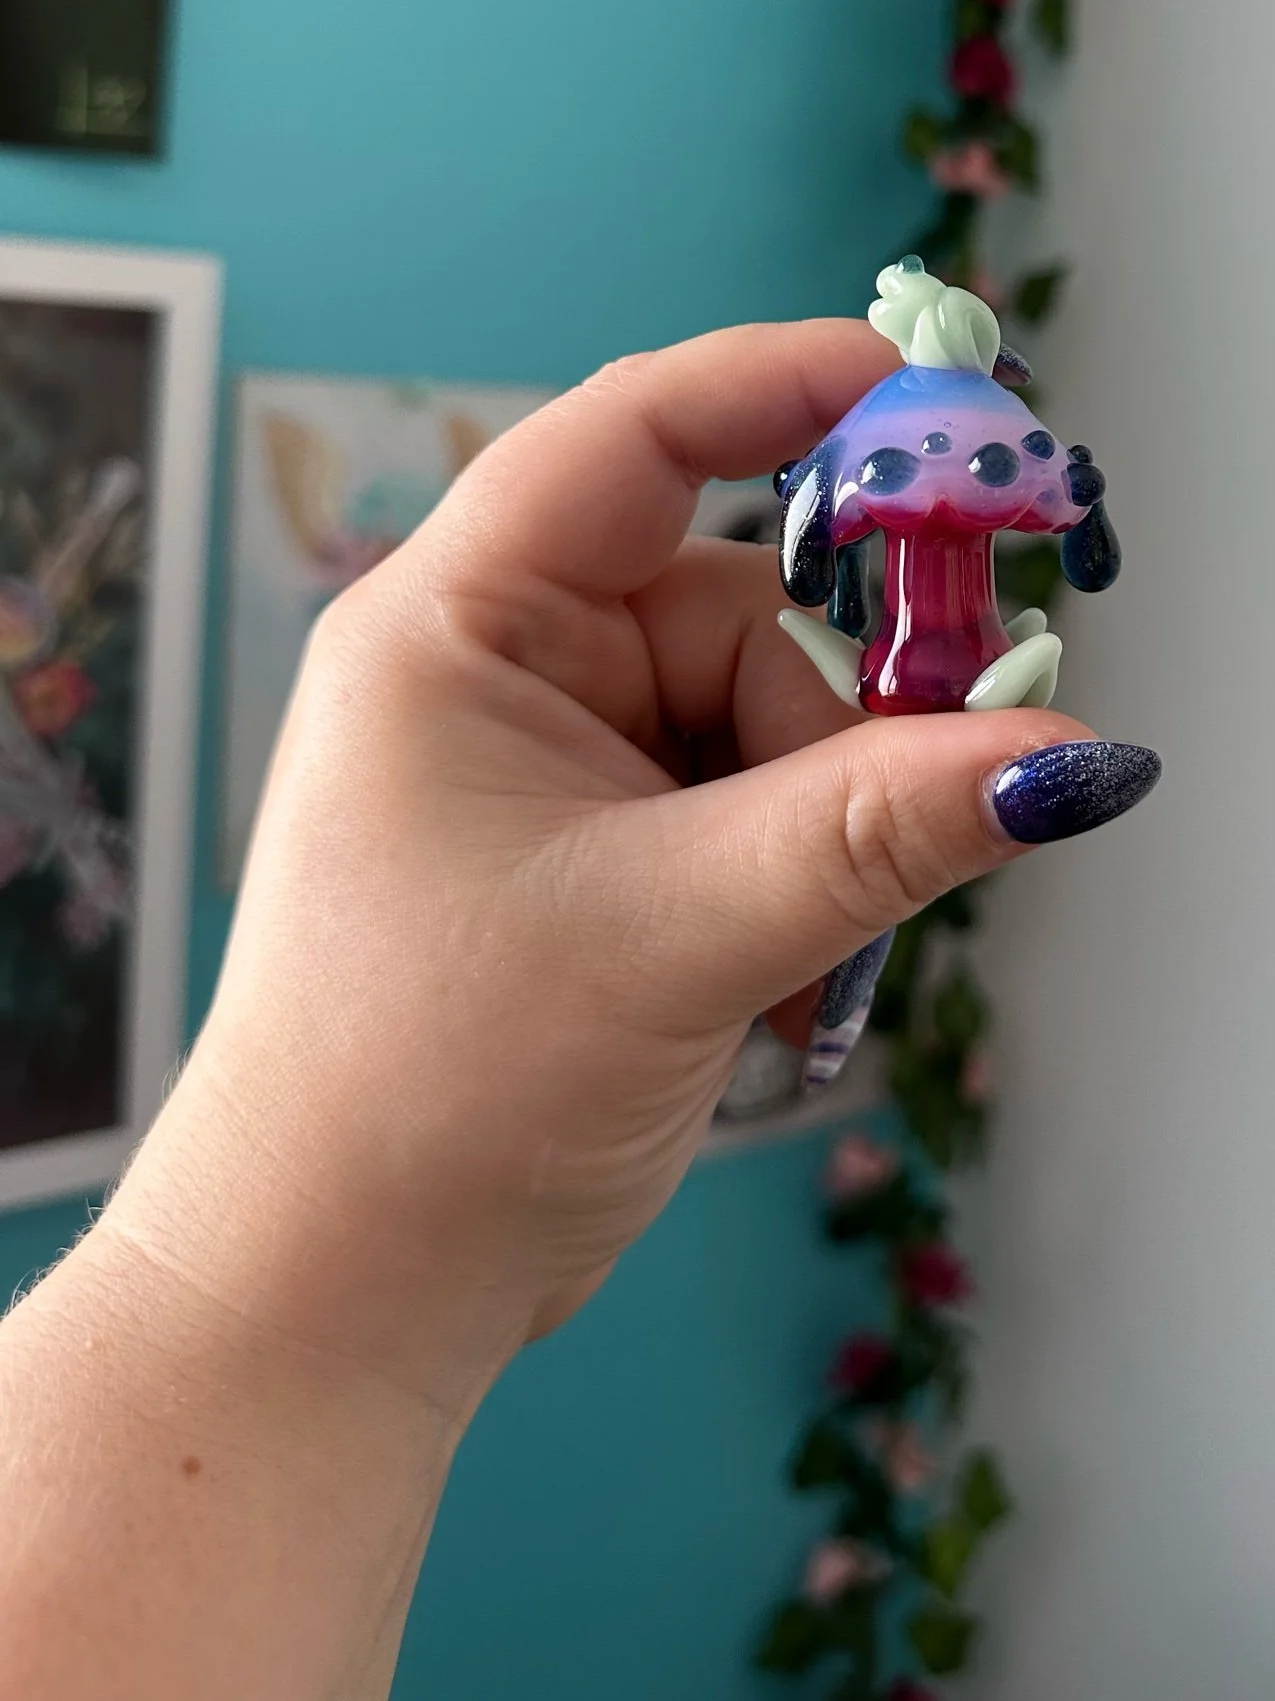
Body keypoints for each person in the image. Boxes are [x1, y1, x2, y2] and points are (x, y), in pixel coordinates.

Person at [0, 318, 1160, 1700]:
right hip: (900, 678)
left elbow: (1029, 521)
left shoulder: (932, 458)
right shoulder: (883, 469)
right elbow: (858, 548)